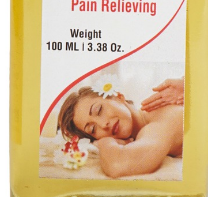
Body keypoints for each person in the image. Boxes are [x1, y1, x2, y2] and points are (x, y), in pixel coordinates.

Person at [57, 76, 185, 178]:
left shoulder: (163, 119)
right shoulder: (146, 127)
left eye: (99, 110)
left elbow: (118, 165)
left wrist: (104, 143)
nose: (103, 125)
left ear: (118, 96)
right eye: (93, 129)